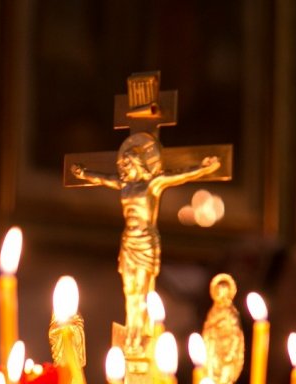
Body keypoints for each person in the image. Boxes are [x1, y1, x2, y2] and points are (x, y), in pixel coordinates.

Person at [71, 132, 220, 356]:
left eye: (127, 163)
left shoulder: (153, 184)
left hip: (145, 242)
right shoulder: (124, 185)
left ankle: (140, 334)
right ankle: (131, 330)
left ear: (138, 163)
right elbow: (102, 178)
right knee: (129, 289)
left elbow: (179, 175)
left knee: (142, 289)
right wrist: (83, 173)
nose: (123, 167)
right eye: (122, 164)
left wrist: (203, 168)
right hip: (128, 241)